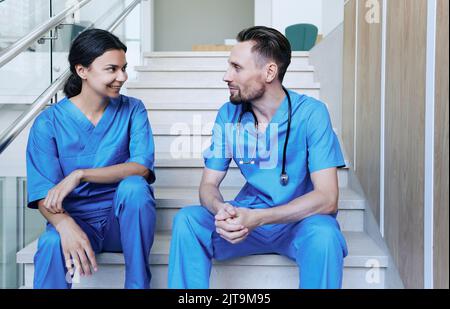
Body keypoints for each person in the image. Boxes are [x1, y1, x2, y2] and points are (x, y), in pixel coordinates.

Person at [168, 26, 348, 289]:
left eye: (236, 68)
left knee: (325, 236)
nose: (226, 76)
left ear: (269, 72)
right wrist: (222, 210)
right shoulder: (229, 114)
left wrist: (261, 218)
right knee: (188, 220)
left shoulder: (312, 114)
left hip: (298, 222)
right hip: (246, 222)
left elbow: (328, 198)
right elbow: (208, 186)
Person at [26, 29, 156, 289]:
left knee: (135, 187)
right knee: (51, 242)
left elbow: (141, 167)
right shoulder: (48, 123)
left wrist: (80, 174)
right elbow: (44, 192)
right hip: (77, 219)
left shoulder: (133, 109)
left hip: (122, 222)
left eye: (124, 68)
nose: (122, 77)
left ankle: (138, 284)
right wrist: (64, 225)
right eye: (112, 69)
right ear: (82, 71)